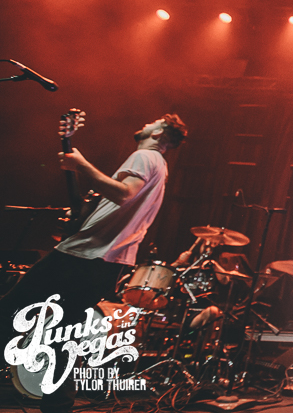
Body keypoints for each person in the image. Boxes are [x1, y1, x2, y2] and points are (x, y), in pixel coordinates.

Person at [0, 114, 187, 413]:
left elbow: (124, 194)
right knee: (63, 335)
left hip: (83, 254)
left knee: (9, 311)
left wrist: (81, 165)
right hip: (108, 262)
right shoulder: (160, 166)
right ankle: (57, 407)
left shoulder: (145, 156)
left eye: (154, 122)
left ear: (159, 133)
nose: (145, 123)